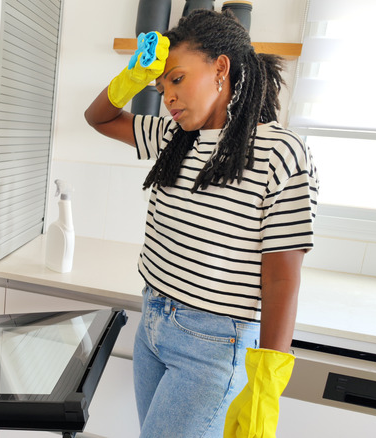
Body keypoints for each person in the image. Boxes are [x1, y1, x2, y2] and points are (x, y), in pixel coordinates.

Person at [84, 10, 318, 438]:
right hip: (152, 321)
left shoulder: (279, 152)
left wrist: (265, 385)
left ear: (221, 68)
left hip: (213, 345)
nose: (167, 97)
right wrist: (133, 75)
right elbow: (97, 117)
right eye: (160, 86)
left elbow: (283, 278)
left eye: (176, 79)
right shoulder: (173, 137)